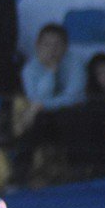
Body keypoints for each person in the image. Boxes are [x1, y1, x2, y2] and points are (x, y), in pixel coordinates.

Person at [9, 23, 87, 187]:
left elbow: (73, 98)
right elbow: (35, 98)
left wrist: (43, 106)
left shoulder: (75, 64)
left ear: (66, 47)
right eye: (47, 44)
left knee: (67, 117)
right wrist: (50, 72)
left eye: (57, 45)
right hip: (44, 119)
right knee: (35, 124)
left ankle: (78, 174)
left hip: (70, 115)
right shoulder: (30, 69)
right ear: (38, 46)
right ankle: (20, 177)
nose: (52, 50)